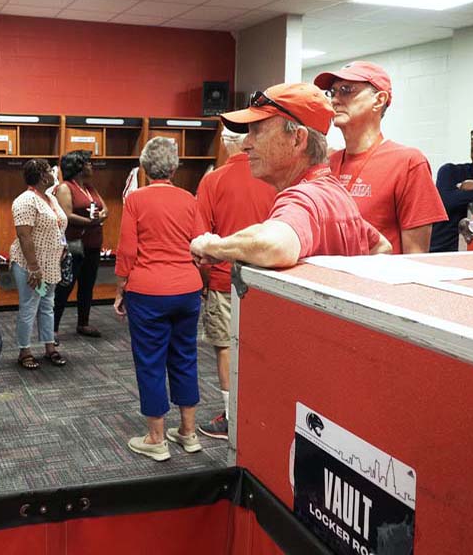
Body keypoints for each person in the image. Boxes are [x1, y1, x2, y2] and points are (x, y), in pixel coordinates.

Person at [190, 82, 392, 269]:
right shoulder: (333, 190)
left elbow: (274, 246)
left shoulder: (304, 197)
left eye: (257, 131)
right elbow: (381, 246)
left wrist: (215, 246)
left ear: (297, 139)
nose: (245, 144)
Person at [114, 137, 205, 462]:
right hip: (187, 289)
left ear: (144, 167)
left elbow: (127, 250)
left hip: (148, 291)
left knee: (151, 362)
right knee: (185, 357)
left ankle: (156, 438)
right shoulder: (189, 199)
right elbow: (200, 245)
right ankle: (188, 433)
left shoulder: (136, 200)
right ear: (175, 167)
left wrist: (121, 288)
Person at [313, 61, 445, 254]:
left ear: (379, 99)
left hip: (375, 282)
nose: (335, 100)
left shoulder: (408, 162)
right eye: (333, 92)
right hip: (328, 279)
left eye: (346, 90)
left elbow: (416, 257)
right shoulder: (327, 164)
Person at [194, 130, 276, 440]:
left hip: (224, 278)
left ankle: (232, 416)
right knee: (265, 348)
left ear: (228, 143)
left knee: (227, 347)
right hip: (271, 279)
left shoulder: (213, 180)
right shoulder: (275, 176)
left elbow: (201, 242)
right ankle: (264, 413)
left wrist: (204, 284)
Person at [10, 159, 68, 370]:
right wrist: (34, 268)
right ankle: (24, 351)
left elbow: (58, 227)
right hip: (30, 264)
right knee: (29, 306)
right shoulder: (25, 201)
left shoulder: (50, 198)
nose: (54, 173)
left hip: (51, 264)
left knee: (47, 305)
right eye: (50, 171)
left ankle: (49, 347)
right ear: (43, 177)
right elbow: (24, 236)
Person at [53, 150, 109, 341]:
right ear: (77, 167)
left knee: (87, 286)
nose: (91, 166)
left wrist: (102, 216)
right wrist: (91, 222)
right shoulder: (65, 188)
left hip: (93, 245)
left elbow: (104, 207)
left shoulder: (89, 187)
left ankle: (83, 323)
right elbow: (66, 215)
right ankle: (52, 330)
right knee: (64, 288)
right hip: (74, 246)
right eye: (87, 163)